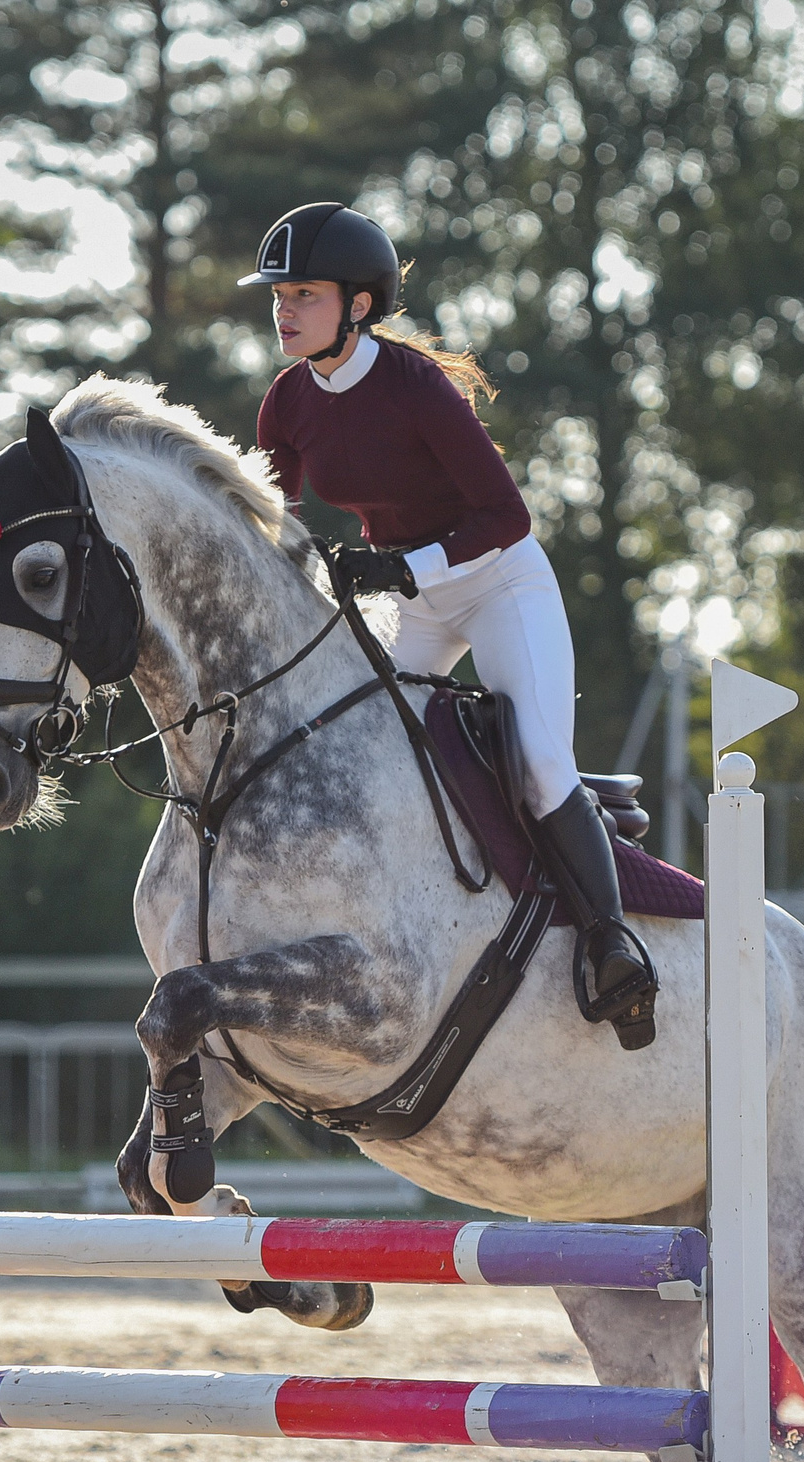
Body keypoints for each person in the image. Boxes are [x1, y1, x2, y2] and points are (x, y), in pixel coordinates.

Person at [243, 201, 658, 1050]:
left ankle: (614, 944)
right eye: (279, 295)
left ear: (358, 305)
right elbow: (275, 525)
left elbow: (505, 515)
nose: (284, 310)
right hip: (411, 599)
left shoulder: (414, 387)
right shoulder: (286, 405)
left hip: (497, 582)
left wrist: (404, 568)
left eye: (305, 295)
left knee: (541, 766)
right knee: (356, 751)